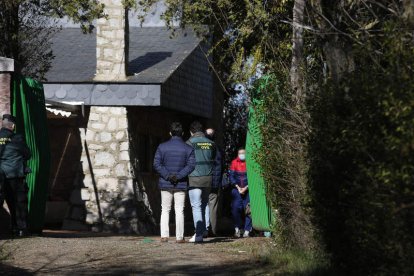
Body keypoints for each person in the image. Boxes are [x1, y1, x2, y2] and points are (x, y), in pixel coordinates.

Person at [153, 122, 195, 243]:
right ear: (182, 133)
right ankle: (179, 237)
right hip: (180, 183)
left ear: (170, 133)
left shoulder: (162, 147)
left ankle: (164, 236)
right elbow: (191, 165)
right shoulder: (188, 148)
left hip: (165, 182)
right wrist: (179, 176)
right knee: (179, 210)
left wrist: (168, 175)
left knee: (165, 209)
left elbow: (156, 164)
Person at [0, 114, 31, 237]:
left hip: (2, 177)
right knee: (19, 203)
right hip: (15, 176)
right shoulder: (17, 138)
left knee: (8, 203)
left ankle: (11, 228)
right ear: (12, 126)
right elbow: (28, 154)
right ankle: (21, 229)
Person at [187, 121, 216, 242]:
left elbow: (186, 159)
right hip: (208, 178)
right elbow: (213, 158)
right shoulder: (211, 143)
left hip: (194, 178)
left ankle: (198, 235)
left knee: (196, 206)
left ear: (191, 131)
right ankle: (204, 230)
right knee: (205, 205)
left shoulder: (189, 143)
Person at [229, 148, 252, 238]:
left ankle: (247, 230)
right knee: (235, 209)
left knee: (249, 210)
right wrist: (238, 187)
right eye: (240, 153)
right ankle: (238, 228)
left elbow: (252, 177)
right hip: (236, 189)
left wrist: (246, 188)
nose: (241, 155)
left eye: (243, 153)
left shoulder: (250, 163)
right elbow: (231, 176)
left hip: (248, 189)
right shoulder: (234, 162)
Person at [204, 128, 222, 237]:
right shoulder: (217, 148)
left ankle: (204, 229)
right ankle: (212, 230)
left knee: (202, 205)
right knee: (213, 206)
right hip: (214, 182)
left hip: (202, 181)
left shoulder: (201, 147)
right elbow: (219, 167)